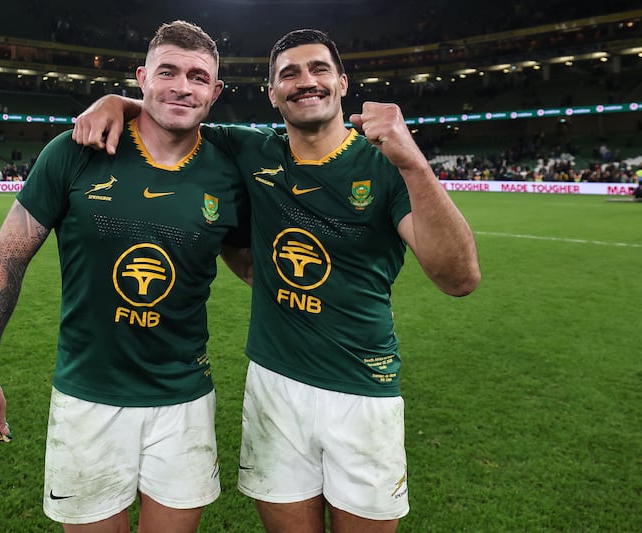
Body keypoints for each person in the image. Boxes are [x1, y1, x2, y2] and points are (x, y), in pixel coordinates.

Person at [73, 28, 481, 533]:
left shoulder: (384, 164)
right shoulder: (249, 150)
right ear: (272, 93)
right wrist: (117, 101)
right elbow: (175, 111)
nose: (305, 81)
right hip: (274, 385)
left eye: (318, 69)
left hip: (362, 390)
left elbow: (459, 279)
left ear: (342, 83)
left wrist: (414, 162)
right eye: (289, 74)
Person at [0, 20, 250, 533]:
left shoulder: (230, 167)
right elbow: (6, 260)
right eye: (168, 72)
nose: (183, 86)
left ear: (217, 90)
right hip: (87, 399)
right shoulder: (75, 150)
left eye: (198, 77)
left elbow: (252, 262)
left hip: (184, 402)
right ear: (141, 77)